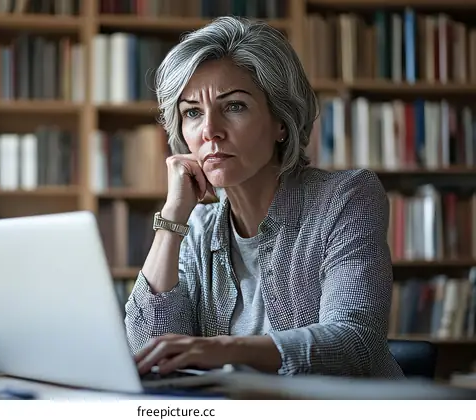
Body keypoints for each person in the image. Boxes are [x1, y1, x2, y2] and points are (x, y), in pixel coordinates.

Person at [124, 16, 404, 378]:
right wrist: (172, 217)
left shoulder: (345, 198)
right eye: (192, 112)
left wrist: (222, 349)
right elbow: (149, 350)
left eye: (234, 106)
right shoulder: (197, 227)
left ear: (281, 122)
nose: (210, 130)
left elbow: (354, 342)